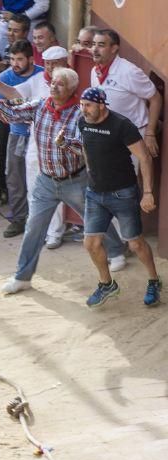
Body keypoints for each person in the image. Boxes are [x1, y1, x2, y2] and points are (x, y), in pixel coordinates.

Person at [0, 67, 125, 295]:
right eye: (53, 82)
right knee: (33, 228)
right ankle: (22, 277)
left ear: (72, 89)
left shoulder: (80, 113)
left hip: (75, 180)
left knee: (95, 220)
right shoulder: (40, 105)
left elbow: (86, 147)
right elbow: (12, 115)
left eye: (61, 84)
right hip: (46, 181)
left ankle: (116, 251)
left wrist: (66, 143)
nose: (54, 87)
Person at [73, 87, 161, 308]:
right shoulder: (82, 122)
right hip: (94, 193)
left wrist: (148, 192)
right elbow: (86, 148)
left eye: (88, 105)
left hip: (123, 194)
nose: (84, 109)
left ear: (102, 105)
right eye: (82, 104)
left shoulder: (121, 125)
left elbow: (145, 158)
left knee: (135, 245)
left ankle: (153, 280)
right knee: (91, 243)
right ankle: (106, 284)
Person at [0, 39, 42, 238]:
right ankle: (19, 219)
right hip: (17, 134)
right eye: (12, 59)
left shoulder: (41, 75)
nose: (15, 63)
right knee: (15, 178)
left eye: (20, 59)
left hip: (39, 136)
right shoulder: (4, 77)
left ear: (31, 59)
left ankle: (39, 220)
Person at [90, 29, 162, 162]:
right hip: (106, 134)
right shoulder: (94, 71)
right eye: (93, 44)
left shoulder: (129, 72)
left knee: (128, 180)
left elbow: (155, 98)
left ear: (114, 48)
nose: (94, 49)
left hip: (132, 136)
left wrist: (150, 133)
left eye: (101, 45)